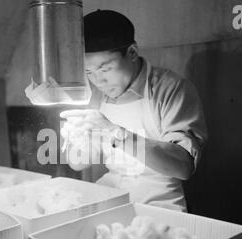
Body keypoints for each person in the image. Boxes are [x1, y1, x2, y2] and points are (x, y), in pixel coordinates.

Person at [61, 9, 208, 212]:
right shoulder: (95, 94)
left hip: (159, 200)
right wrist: (77, 141)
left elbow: (183, 167)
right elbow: (79, 164)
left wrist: (117, 134)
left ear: (131, 52)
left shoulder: (170, 89)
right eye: (88, 72)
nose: (98, 80)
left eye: (104, 69)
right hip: (111, 192)